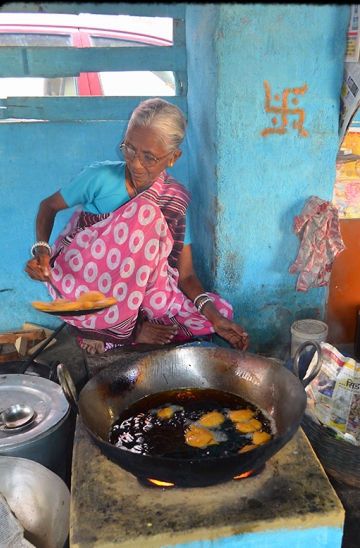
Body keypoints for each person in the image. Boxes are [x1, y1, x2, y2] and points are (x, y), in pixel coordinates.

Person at [25, 98, 249, 355]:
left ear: (173, 157)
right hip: (89, 281)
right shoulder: (100, 178)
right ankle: (127, 329)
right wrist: (42, 250)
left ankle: (120, 328)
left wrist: (214, 317)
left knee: (215, 313)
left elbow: (186, 275)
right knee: (146, 213)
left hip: (138, 289)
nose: (135, 164)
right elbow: (48, 206)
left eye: (149, 157)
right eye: (129, 149)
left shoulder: (173, 198)